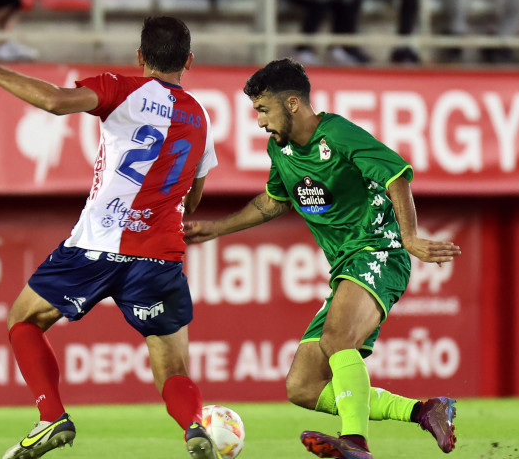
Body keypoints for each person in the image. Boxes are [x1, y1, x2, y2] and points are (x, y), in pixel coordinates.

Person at [0, 16, 221, 459]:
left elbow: (54, 102)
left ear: (140, 57)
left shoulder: (120, 87)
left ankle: (51, 417)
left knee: (24, 319)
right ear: (188, 61)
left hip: (98, 241)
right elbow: (194, 198)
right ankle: (194, 427)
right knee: (172, 365)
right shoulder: (201, 118)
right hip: (159, 255)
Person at [183, 58, 461, 458]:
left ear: (292, 103)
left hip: (378, 249)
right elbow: (273, 202)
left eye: (264, 109)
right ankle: (426, 411)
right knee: (303, 386)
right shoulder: (279, 150)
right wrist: (216, 228)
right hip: (346, 265)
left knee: (336, 338)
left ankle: (356, 442)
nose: (260, 121)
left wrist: (409, 237)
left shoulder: (338, 134)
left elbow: (395, 175)